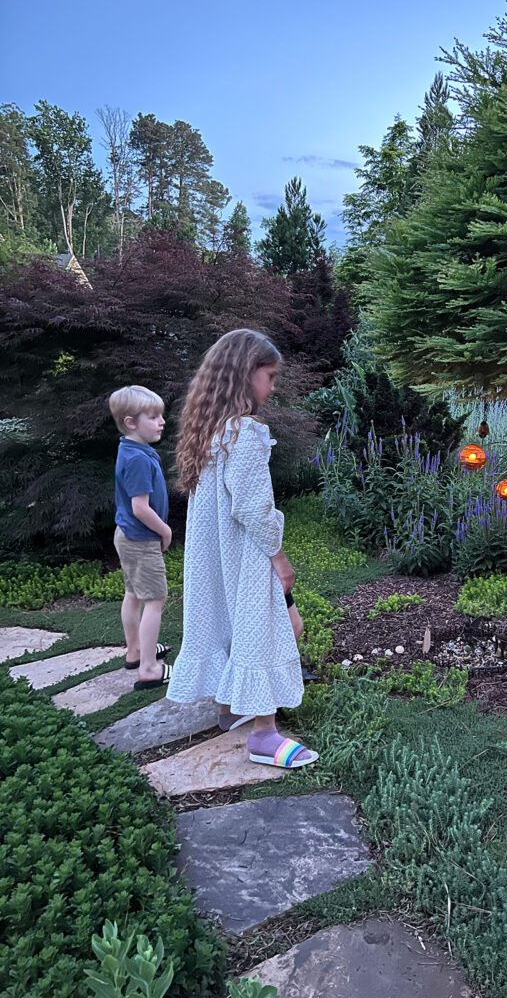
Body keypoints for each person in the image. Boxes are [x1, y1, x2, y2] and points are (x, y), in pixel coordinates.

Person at [167, 328, 317, 768]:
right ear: (244, 374)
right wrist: (279, 558)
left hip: (214, 557)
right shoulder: (245, 432)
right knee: (269, 629)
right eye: (269, 376)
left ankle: (231, 707)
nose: (272, 387)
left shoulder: (210, 432)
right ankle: (264, 734)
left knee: (236, 624)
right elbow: (253, 507)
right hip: (247, 554)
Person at [108, 385, 172, 690]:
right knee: (155, 600)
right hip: (141, 539)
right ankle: (148, 668)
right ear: (131, 422)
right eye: (154, 416)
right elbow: (140, 508)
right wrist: (165, 530)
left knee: (134, 594)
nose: (162, 421)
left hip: (128, 537)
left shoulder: (132, 449)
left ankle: (136, 652)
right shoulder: (138, 460)